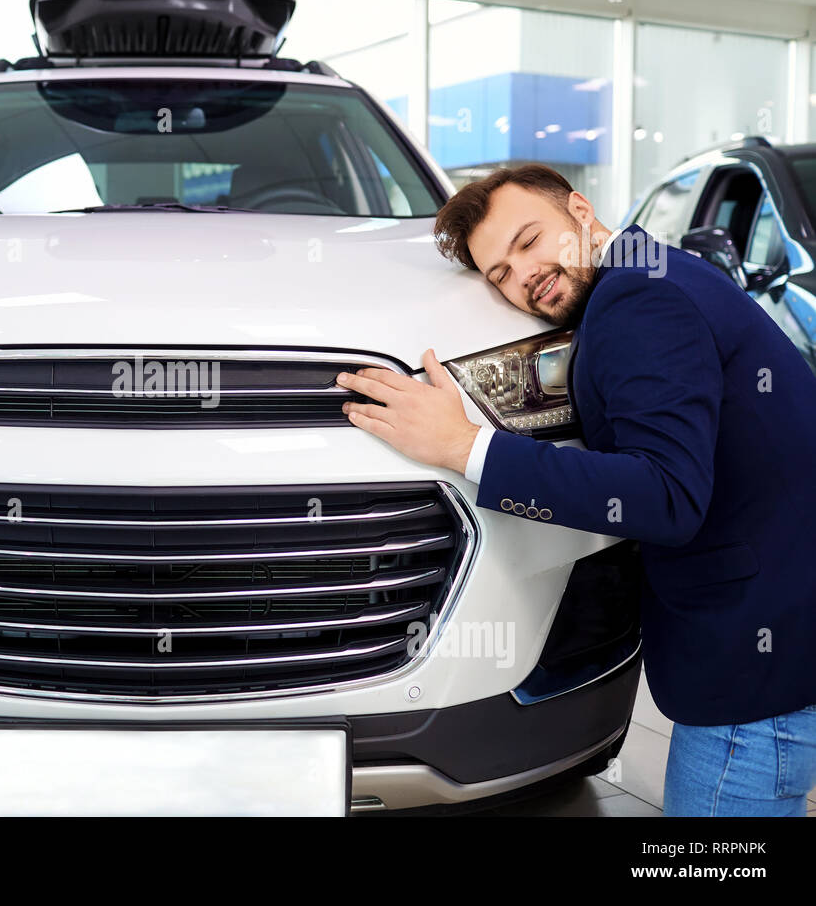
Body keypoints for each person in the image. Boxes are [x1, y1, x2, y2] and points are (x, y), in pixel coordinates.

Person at [337, 164, 816, 816]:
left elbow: (665, 495)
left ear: (582, 211)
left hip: (754, 664)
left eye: (529, 240)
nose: (522, 275)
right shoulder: (658, 269)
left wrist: (462, 445)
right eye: (499, 274)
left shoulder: (635, 303)